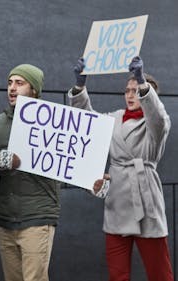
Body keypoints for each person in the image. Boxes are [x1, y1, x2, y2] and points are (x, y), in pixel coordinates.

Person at [69, 56, 173, 281]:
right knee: (117, 275)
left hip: (147, 203)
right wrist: (80, 88)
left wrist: (141, 80)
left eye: (136, 90)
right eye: (127, 90)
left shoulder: (156, 123)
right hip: (117, 202)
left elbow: (157, 117)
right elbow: (87, 124)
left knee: (160, 274)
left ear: (149, 96)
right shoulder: (113, 119)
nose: (130, 94)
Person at [0, 64, 60, 281]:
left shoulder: (54, 124)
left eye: (19, 83)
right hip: (6, 220)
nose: (12, 88)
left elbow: (76, 163)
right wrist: (0, 162)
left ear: (34, 90)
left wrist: (93, 181)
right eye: (10, 83)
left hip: (37, 219)